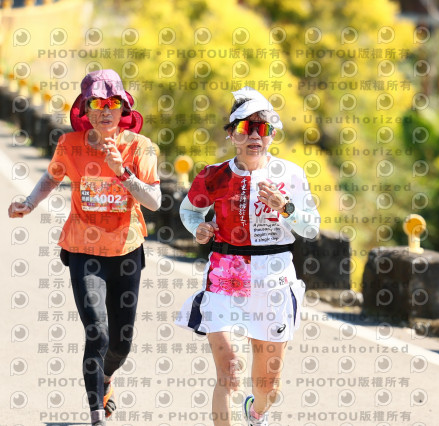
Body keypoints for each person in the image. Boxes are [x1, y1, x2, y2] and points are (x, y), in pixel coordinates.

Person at [7, 69, 160, 426]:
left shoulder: (140, 147)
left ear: (123, 108)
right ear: (85, 109)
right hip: (83, 249)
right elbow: (52, 177)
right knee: (97, 331)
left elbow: (154, 201)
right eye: (97, 104)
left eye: (112, 103)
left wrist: (122, 172)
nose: (105, 111)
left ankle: (106, 378)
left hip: (126, 250)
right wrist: (29, 203)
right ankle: (96, 414)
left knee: (120, 343)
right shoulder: (70, 144)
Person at [176, 86, 320, 426]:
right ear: (231, 134)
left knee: (268, 386)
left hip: (274, 279)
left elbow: (312, 228)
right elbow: (189, 211)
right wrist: (199, 228)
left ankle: (256, 412)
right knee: (229, 372)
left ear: (272, 134)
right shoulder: (213, 175)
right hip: (225, 275)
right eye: (245, 127)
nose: (255, 135)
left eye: (263, 127)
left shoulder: (290, 175)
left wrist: (286, 208)